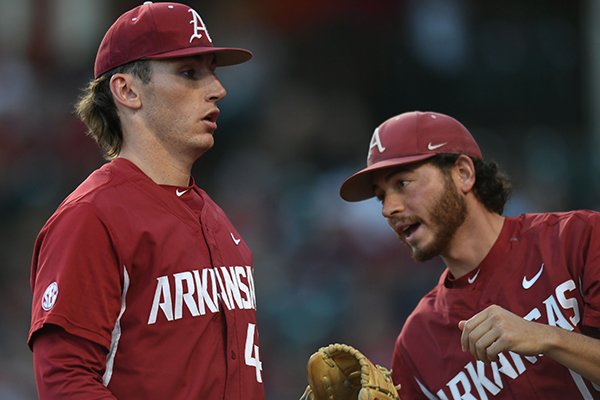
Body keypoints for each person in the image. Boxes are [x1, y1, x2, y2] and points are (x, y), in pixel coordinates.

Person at [28, 2, 264, 399]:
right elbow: (64, 383)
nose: (218, 90)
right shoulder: (92, 217)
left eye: (212, 72)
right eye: (190, 73)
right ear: (127, 90)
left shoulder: (221, 222)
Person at [339, 111, 600, 399]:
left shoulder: (578, 238)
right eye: (381, 196)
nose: (388, 208)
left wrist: (548, 337)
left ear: (463, 173)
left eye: (402, 183)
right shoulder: (417, 345)